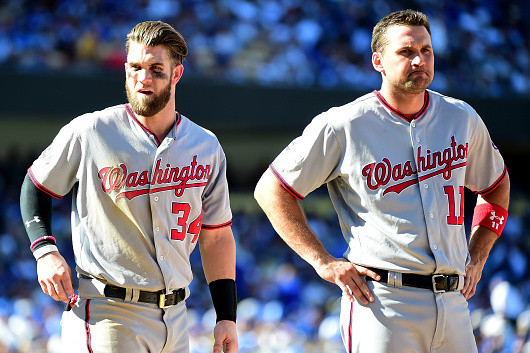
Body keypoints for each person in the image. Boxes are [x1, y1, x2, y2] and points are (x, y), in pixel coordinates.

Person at [254, 9, 510, 353]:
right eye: (406, 52)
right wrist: (323, 262)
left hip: (453, 302)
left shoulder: (461, 117)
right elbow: (272, 190)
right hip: (383, 302)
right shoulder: (345, 123)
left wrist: (478, 255)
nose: (419, 60)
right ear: (379, 61)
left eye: (426, 50)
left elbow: (496, 188)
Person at [20, 20, 238, 353]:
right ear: (125, 69)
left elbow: (218, 235)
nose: (143, 78)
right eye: (135, 68)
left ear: (176, 74)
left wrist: (227, 315)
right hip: (109, 313)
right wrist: (45, 252)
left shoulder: (205, 145)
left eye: (156, 69)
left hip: (176, 317)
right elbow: (36, 185)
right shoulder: (92, 130)